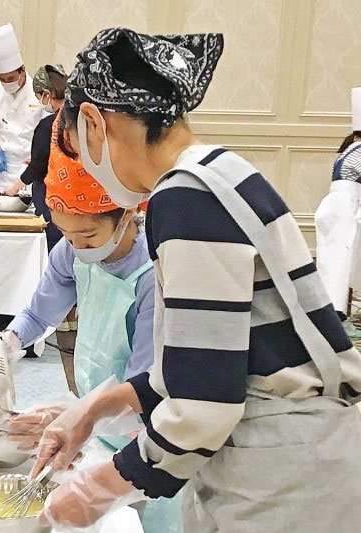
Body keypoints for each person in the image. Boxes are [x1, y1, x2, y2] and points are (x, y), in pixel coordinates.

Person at [32, 28, 361, 532]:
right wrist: (95, 408)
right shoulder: (220, 172)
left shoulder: (185, 198)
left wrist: (102, 487)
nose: (95, 180)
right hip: (297, 453)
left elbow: (204, 403)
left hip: (284, 474)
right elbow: (209, 358)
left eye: (83, 154)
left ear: (95, 123)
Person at [0, 121, 181, 531]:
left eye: (88, 236)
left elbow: (144, 386)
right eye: (67, 235)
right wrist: (7, 342)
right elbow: (39, 315)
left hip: (147, 433)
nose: (77, 248)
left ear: (127, 214)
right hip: (99, 423)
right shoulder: (71, 253)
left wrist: (82, 413)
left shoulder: (152, 276)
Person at [315, 86, 361, 339]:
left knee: (337, 265)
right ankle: (335, 321)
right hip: (343, 211)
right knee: (338, 266)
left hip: (339, 209)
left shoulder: (351, 148)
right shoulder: (359, 151)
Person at [3, 64, 65, 251]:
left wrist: (13, 188)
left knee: (55, 248)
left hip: (54, 197)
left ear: (47, 94)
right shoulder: (80, 118)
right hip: (77, 203)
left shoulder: (49, 125)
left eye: (39, 97)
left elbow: (38, 167)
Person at [0, 23, 44, 192]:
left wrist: (37, 161)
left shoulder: (39, 93)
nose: (7, 83)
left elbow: (47, 133)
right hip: (2, 169)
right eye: (2, 79)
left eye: (11, 79)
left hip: (28, 166)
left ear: (22, 71)